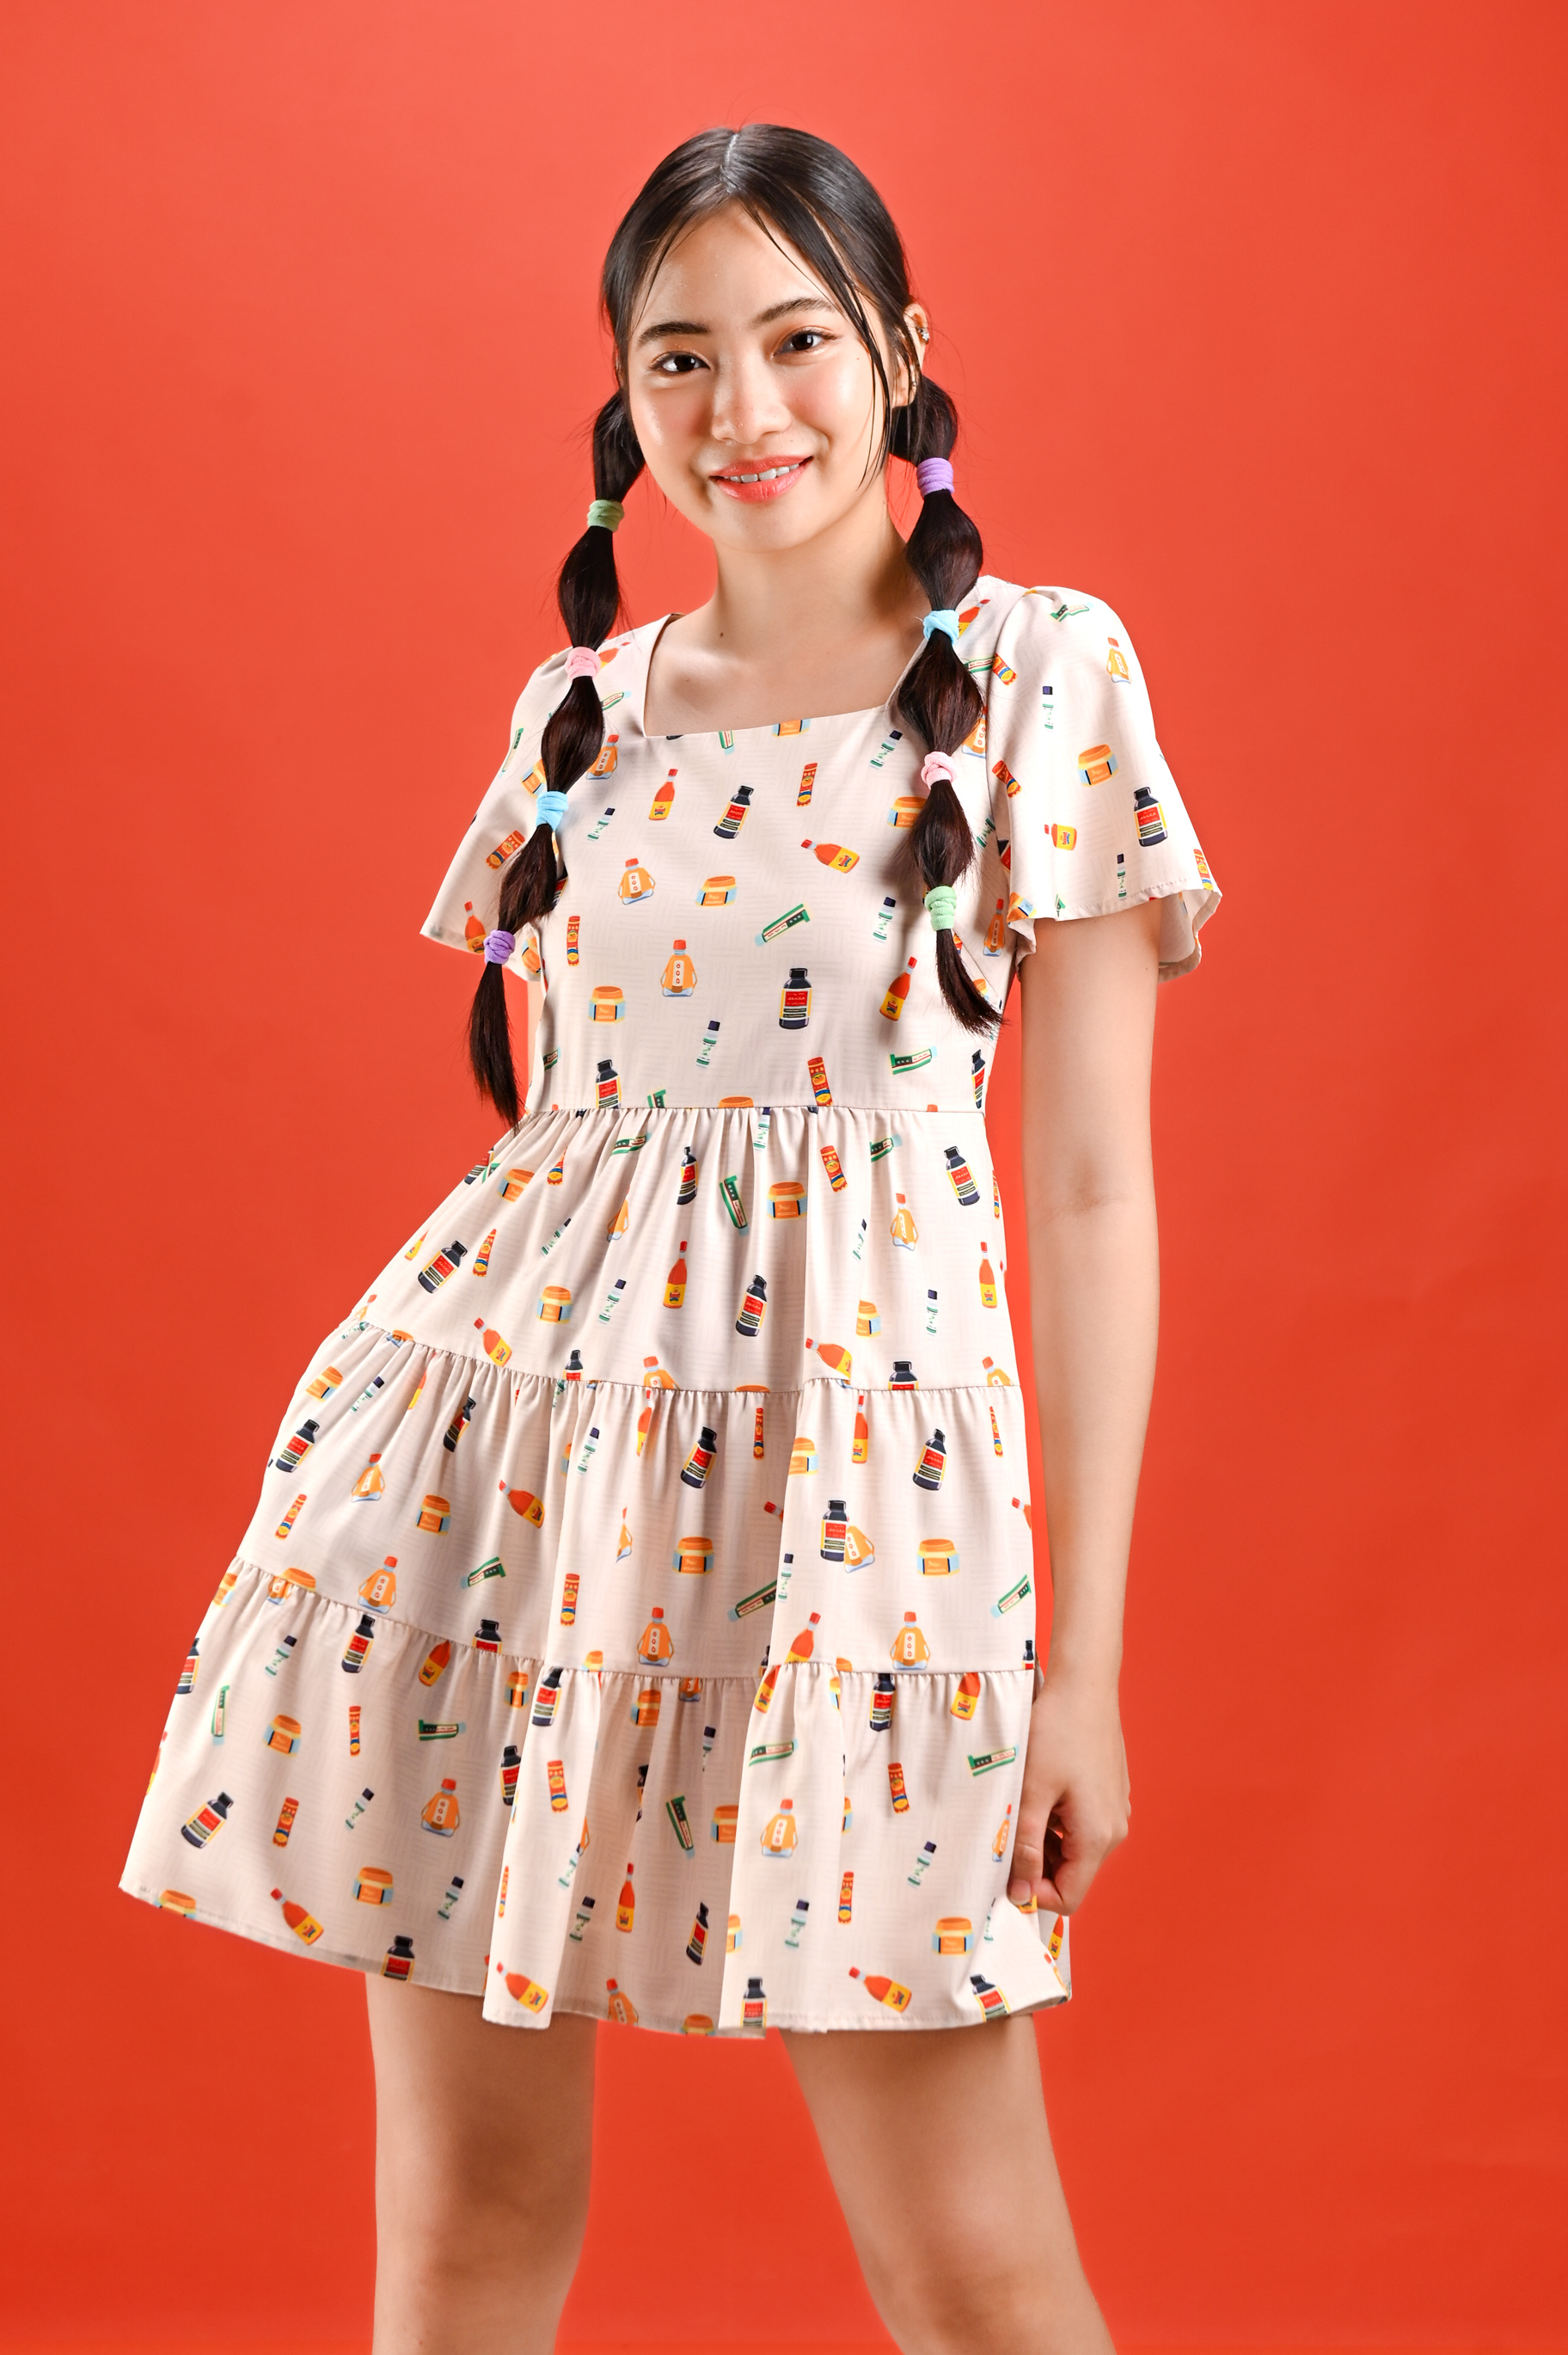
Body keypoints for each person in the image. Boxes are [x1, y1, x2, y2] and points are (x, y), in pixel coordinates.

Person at [120, 123, 1219, 2355]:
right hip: (497, 1503)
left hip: (862, 1531)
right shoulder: (581, 715)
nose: (747, 409)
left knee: (977, 2268)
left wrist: (1078, 1670)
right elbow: (578, 1154)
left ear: (903, 353)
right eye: (682, 357)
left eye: (800, 339)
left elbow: (1093, 1191)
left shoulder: (1043, 674)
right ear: (625, 397)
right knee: (467, 2230)